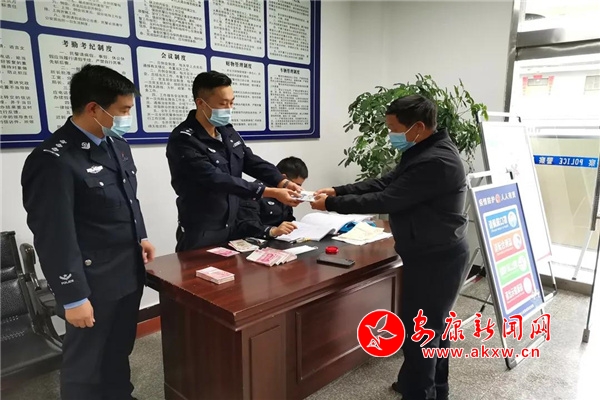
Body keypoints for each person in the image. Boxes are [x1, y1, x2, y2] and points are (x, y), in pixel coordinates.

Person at [311, 94, 470, 400]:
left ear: (418, 127)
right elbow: (387, 182)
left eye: (394, 129)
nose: (390, 135)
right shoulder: (423, 150)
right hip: (429, 251)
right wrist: (338, 190)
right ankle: (425, 386)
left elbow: (388, 199)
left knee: (423, 332)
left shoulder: (436, 161)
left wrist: (331, 204)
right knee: (431, 327)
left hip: (437, 258)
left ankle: (420, 393)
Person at [21, 64, 155, 400]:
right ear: (94, 108)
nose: (127, 118)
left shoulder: (116, 144)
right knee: (85, 362)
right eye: (123, 110)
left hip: (126, 271)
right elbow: (53, 235)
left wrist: (140, 236)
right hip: (91, 282)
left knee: (118, 348)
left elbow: (127, 197)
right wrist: (73, 297)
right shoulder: (53, 159)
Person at [167, 71, 302, 252]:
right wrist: (270, 192)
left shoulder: (226, 130)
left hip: (233, 224)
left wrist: (282, 181)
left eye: (232, 103)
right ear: (201, 103)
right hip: (202, 229)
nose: (229, 109)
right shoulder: (184, 140)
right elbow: (216, 179)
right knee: (199, 270)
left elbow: (250, 160)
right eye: (223, 104)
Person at [258, 156, 308, 227]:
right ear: (284, 178)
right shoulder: (258, 191)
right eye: (296, 185)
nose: (297, 189)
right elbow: (250, 225)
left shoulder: (287, 193)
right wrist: (274, 231)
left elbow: (288, 218)